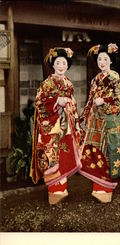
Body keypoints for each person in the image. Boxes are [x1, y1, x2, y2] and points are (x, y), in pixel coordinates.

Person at [30, 47, 82, 204]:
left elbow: (73, 104)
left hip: (65, 127)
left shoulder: (68, 84)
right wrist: (56, 102)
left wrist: (74, 120)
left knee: (64, 156)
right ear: (53, 64)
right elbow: (39, 103)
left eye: (64, 63)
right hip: (50, 126)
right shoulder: (47, 84)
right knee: (51, 157)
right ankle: (54, 192)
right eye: (58, 62)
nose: (61, 65)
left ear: (67, 66)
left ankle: (63, 189)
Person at [79, 43, 120, 203]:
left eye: (105, 59)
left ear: (111, 61)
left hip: (109, 121)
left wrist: (104, 101)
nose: (102, 62)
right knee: (95, 152)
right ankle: (97, 187)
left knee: (107, 152)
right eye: (99, 59)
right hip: (96, 121)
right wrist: (85, 115)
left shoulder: (114, 77)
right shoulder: (96, 79)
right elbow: (91, 99)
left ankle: (106, 189)